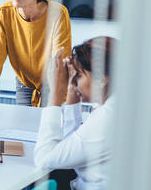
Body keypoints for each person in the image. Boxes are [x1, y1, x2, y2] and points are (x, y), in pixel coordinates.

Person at [34, 36, 117, 189]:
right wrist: (72, 91)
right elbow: (70, 147)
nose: (74, 80)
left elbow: (44, 158)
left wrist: (55, 95)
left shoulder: (108, 118)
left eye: (78, 75)